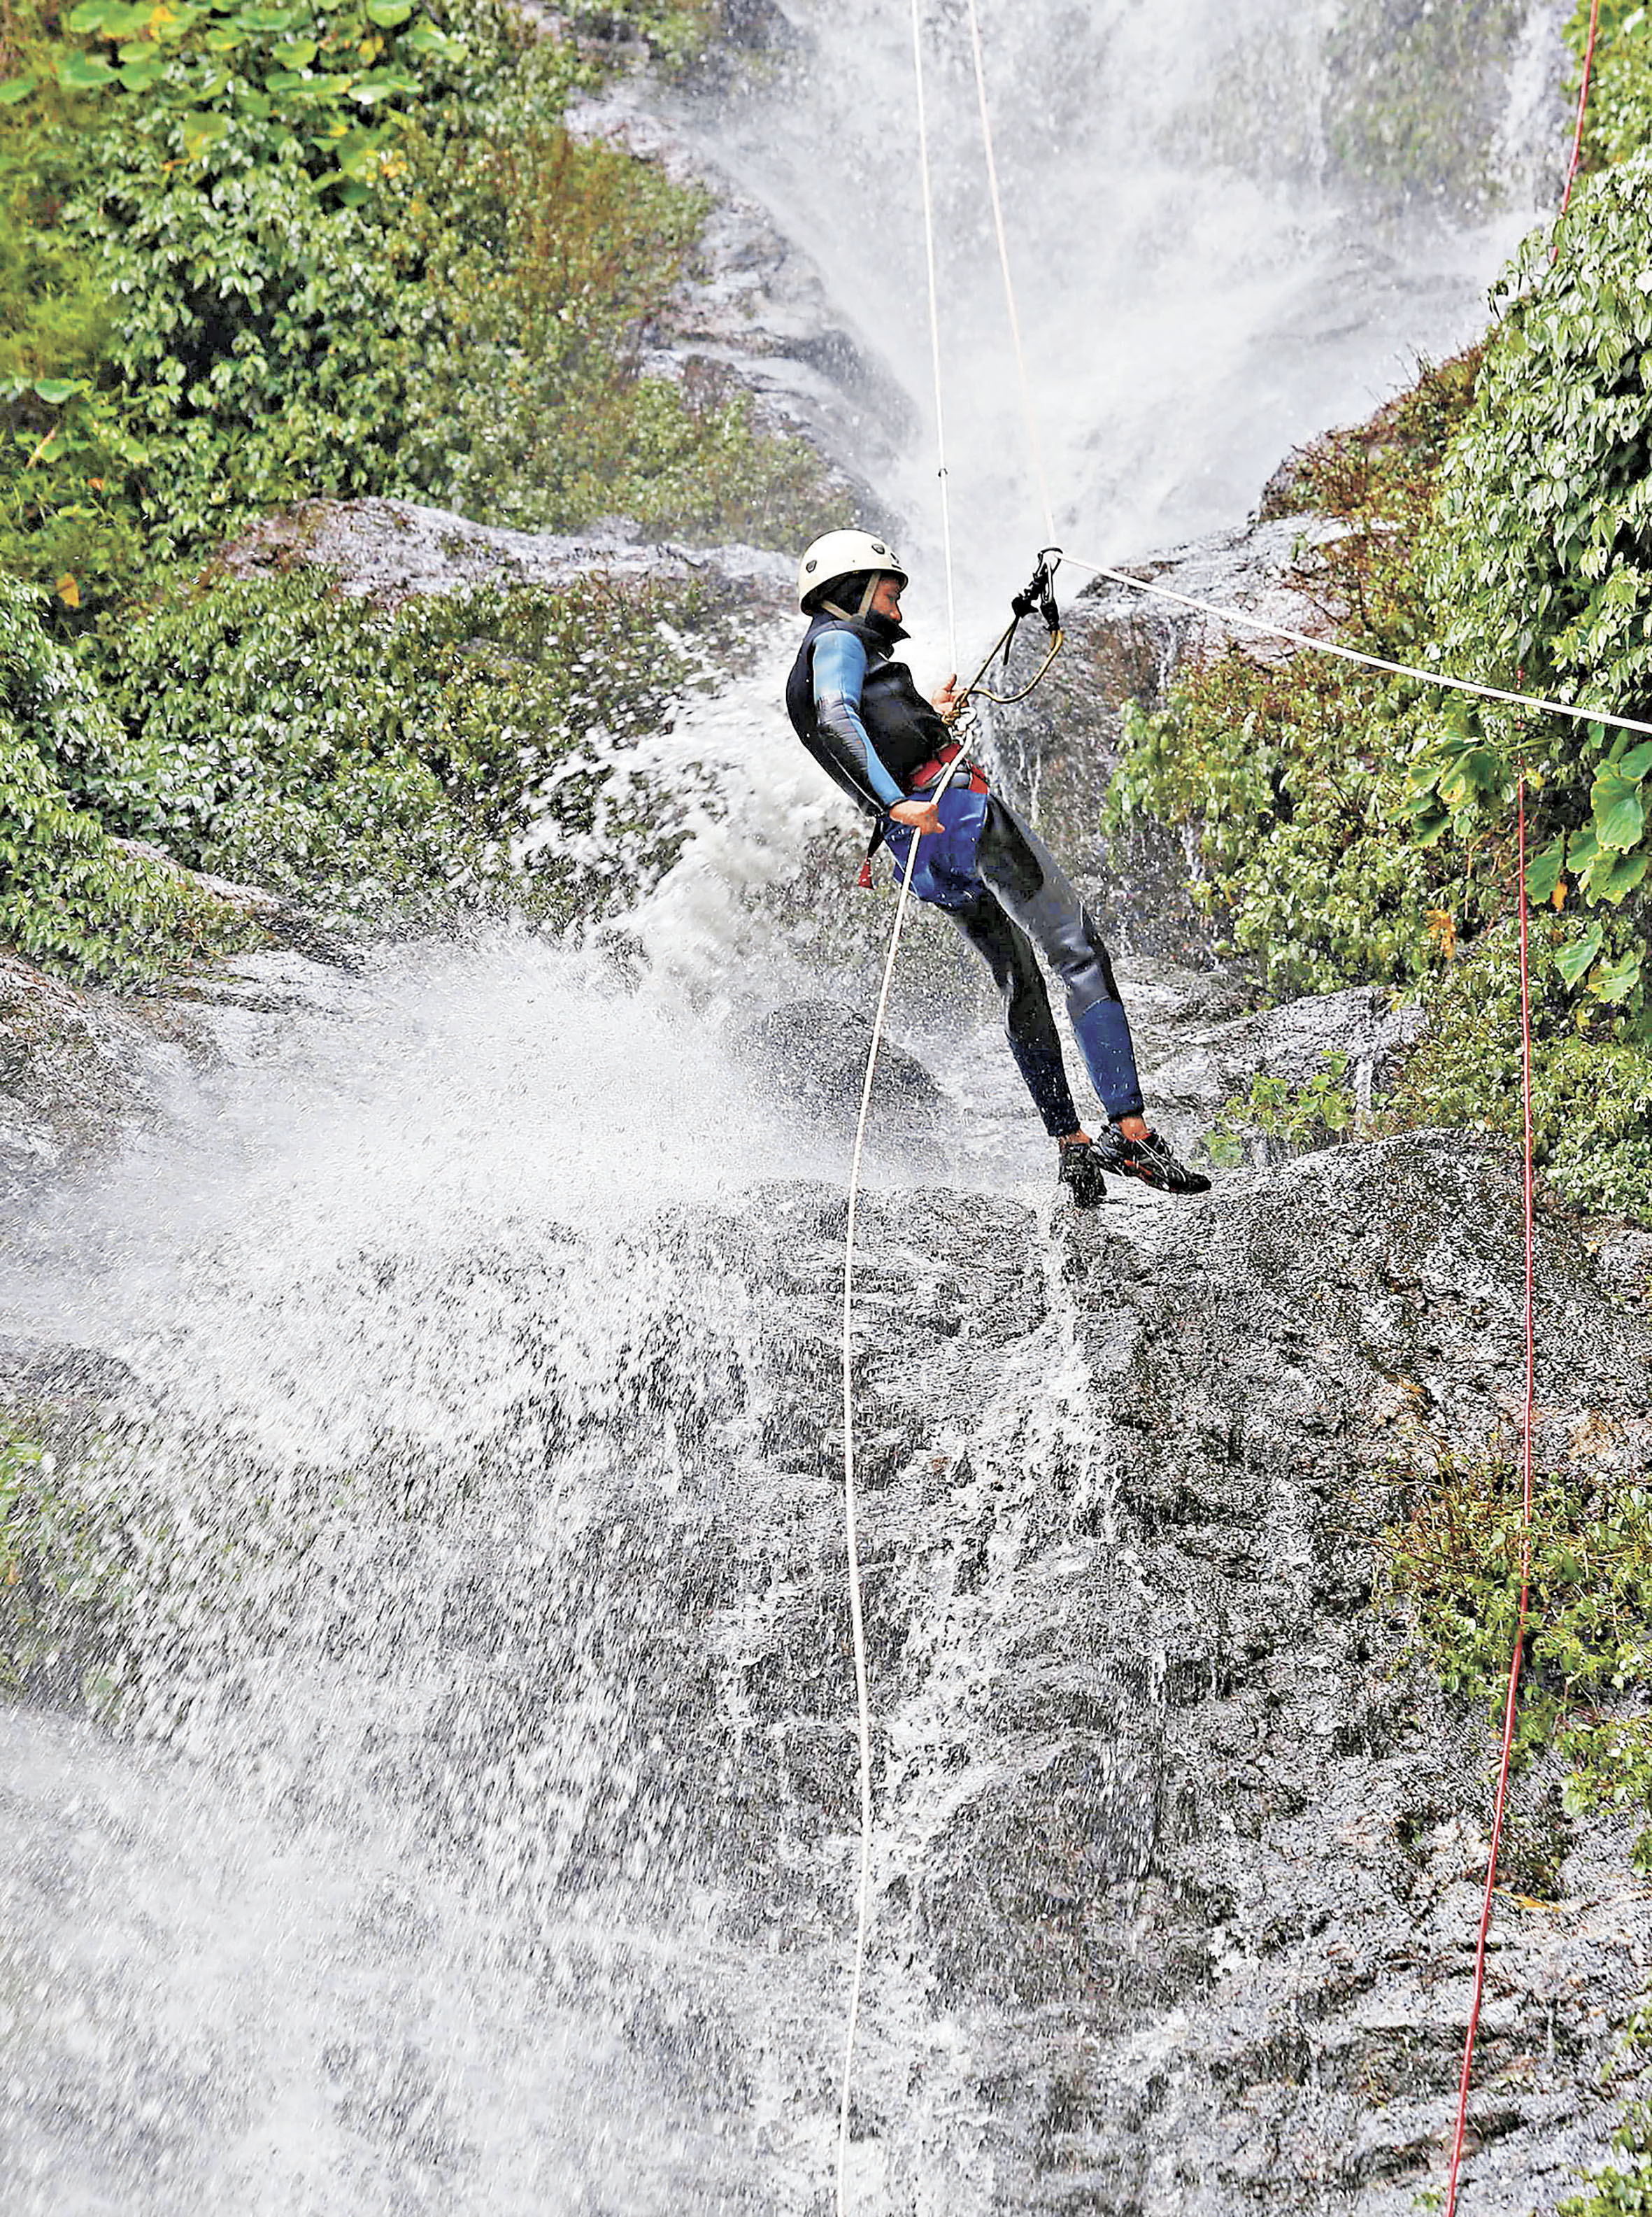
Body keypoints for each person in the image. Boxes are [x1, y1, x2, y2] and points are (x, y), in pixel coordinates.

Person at [784, 528, 1210, 1207]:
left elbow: (865, 722)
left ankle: (1072, 1149)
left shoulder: (821, 658)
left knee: (1017, 974)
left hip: (918, 855)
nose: (897, 612)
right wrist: (898, 804)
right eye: (890, 595)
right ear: (853, 589)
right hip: (954, 816)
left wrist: (929, 715)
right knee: (1075, 946)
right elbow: (839, 719)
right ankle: (1129, 1130)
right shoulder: (837, 643)